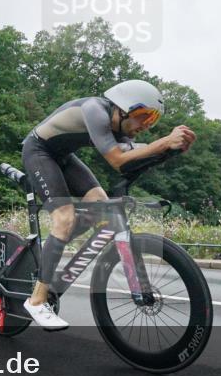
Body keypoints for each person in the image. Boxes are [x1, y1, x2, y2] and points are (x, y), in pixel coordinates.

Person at [20, 80, 195, 330]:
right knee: (64, 219)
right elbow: (117, 160)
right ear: (124, 108)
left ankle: (58, 244)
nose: (145, 126)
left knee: (101, 206)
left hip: (64, 157)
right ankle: (37, 301)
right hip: (38, 151)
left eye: (151, 121)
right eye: (143, 116)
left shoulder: (121, 131)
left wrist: (172, 150)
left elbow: (135, 160)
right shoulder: (95, 109)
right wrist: (166, 141)